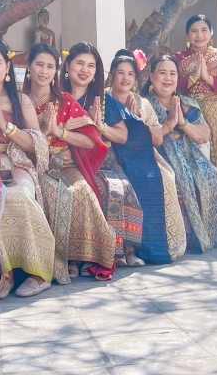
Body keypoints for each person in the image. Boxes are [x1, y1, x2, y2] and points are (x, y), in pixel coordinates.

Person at [0, 38, 55, 298]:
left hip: (14, 163)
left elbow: (36, 144)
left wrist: (6, 128)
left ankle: (35, 272)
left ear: (7, 67)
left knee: (17, 196)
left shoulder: (20, 100)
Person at [24, 43, 114, 283]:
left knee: (82, 192)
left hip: (66, 164)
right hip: (32, 165)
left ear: (56, 71)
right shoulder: (19, 100)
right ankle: (61, 259)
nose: (44, 71)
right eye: (39, 65)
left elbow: (90, 141)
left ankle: (83, 256)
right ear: (29, 67)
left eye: (49, 67)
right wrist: (42, 136)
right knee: (53, 194)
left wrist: (59, 132)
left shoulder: (64, 100)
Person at [144, 55, 217, 252]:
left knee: (210, 175)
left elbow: (203, 135)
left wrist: (182, 123)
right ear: (152, 77)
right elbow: (149, 137)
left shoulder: (187, 104)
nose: (168, 78)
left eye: (172, 74)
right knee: (178, 178)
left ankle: (213, 233)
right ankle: (183, 237)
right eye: (162, 73)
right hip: (159, 156)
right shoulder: (144, 105)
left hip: (190, 156)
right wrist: (170, 123)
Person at [60, 42, 140, 271]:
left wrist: (101, 127)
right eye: (80, 63)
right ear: (68, 66)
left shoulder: (104, 100)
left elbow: (122, 136)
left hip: (102, 161)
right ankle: (75, 255)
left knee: (117, 187)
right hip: (66, 160)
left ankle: (119, 249)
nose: (85, 70)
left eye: (91, 66)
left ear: (97, 72)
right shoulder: (57, 97)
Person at [107, 50, 186, 264]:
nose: (125, 78)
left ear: (136, 78)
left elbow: (158, 139)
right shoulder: (104, 99)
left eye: (130, 74)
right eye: (120, 73)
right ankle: (126, 249)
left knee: (163, 178)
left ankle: (149, 248)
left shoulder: (142, 103)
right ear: (111, 75)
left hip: (141, 155)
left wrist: (137, 120)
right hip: (111, 155)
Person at [173, 14, 217, 206]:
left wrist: (208, 78)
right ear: (187, 34)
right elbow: (170, 86)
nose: (199, 35)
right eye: (194, 31)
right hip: (190, 112)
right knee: (194, 156)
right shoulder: (178, 59)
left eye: (204, 30)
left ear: (211, 32)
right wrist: (193, 78)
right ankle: (198, 207)